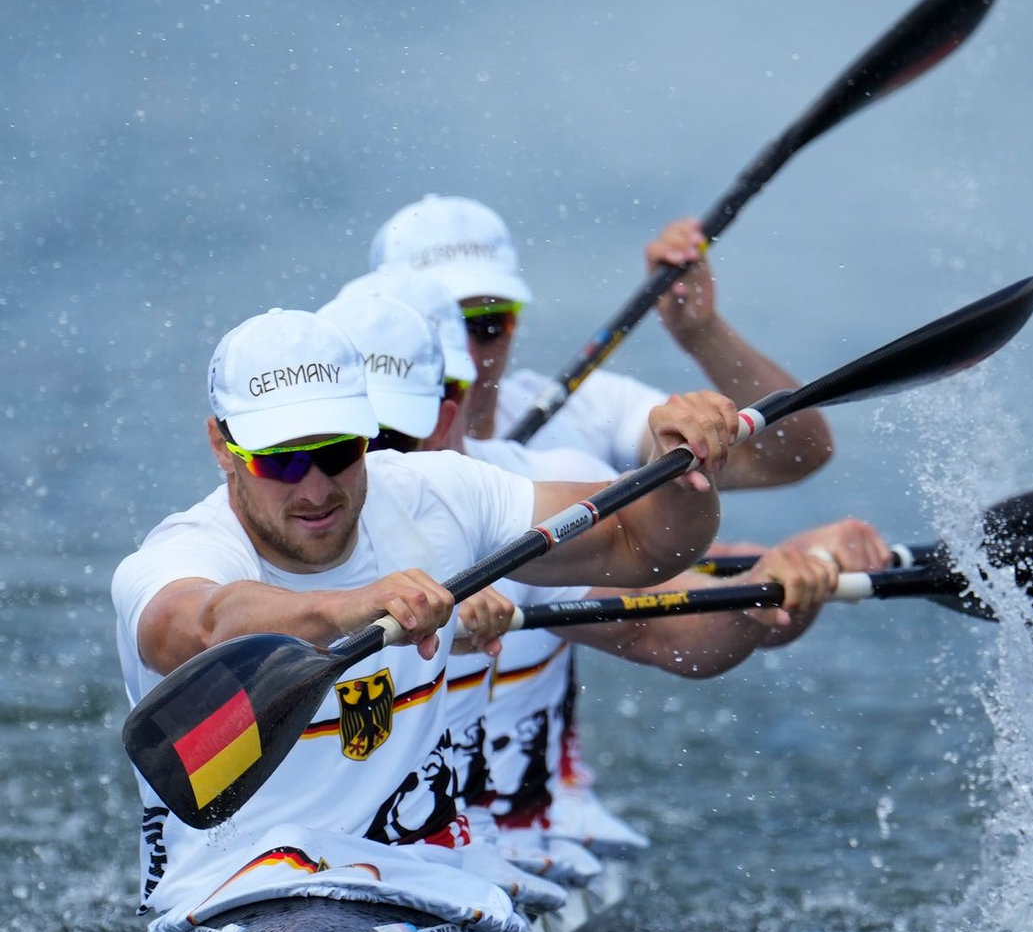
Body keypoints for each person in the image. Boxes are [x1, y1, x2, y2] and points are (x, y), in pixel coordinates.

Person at [112, 306, 739, 932]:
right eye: (279, 461)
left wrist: (682, 476)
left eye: (336, 450)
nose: (314, 488)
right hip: (235, 894)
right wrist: (347, 604)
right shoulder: (182, 554)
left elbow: (643, 546)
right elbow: (195, 624)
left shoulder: (439, 496)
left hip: (423, 877)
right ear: (221, 445)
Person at [317, 284, 890, 871]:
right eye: (336, 447)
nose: (369, 468)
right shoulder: (267, 523)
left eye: (388, 440)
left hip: (506, 843)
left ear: (446, 412)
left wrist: (762, 594)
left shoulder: (503, 505)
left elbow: (665, 630)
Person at [368, 195, 835, 485]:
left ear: (515, 320)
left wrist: (702, 334)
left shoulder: (584, 414)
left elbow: (795, 455)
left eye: (486, 324)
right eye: (437, 324)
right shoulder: (333, 461)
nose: (466, 355)